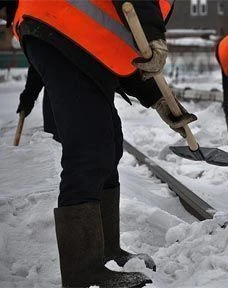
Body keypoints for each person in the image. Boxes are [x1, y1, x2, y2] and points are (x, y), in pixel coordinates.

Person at [5, 0, 197, 287]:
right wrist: (155, 36)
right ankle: (82, 269)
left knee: (110, 141)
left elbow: (120, 48)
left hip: (80, 38)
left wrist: (158, 100)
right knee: (89, 147)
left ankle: (106, 249)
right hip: (59, 25)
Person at [16, 65, 60, 142]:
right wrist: (28, 97)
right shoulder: (47, 55)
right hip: (55, 104)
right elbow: (37, 69)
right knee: (54, 142)